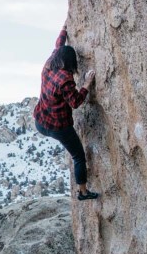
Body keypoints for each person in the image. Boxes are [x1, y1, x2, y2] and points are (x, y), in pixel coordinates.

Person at [33, 25, 100, 200]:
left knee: (74, 152)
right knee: (78, 155)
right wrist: (86, 84)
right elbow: (75, 102)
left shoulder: (49, 64)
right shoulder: (65, 79)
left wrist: (65, 27)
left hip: (40, 121)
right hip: (58, 126)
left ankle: (83, 189)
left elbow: (58, 44)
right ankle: (83, 192)